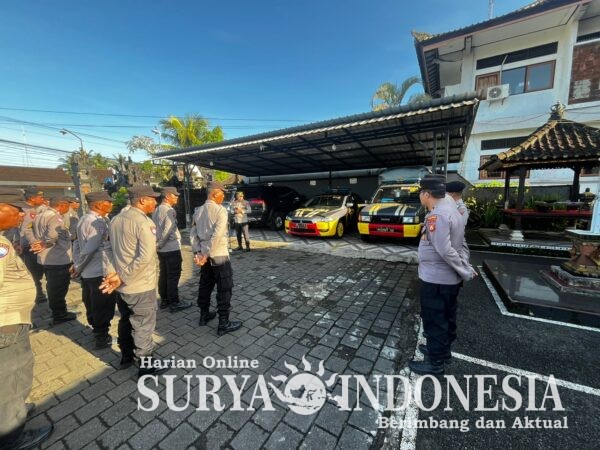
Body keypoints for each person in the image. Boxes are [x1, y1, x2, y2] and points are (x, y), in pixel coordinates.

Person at [0, 188, 54, 449]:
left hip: (12, 319)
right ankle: (11, 435)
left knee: (17, 371)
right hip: (5, 323)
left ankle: (16, 410)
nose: (22, 214)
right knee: (9, 376)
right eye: (16, 209)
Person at [409, 174, 475, 376]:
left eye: (421, 192)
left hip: (436, 279)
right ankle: (441, 351)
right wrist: (464, 265)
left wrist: (464, 270)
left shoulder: (437, 215)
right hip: (447, 280)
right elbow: (462, 243)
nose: (420, 196)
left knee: (435, 320)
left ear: (427, 194)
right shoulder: (453, 210)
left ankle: (435, 364)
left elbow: (445, 250)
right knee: (446, 316)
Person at [100, 186, 167, 378]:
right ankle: (146, 365)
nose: (155, 202)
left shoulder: (115, 219)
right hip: (140, 284)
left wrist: (112, 274)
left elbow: (106, 248)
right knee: (143, 325)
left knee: (126, 319)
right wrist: (121, 276)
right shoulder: (144, 222)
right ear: (142, 200)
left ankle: (126, 356)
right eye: (153, 199)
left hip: (122, 286)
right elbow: (145, 257)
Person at [190, 182, 242, 335]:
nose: (223, 196)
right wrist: (205, 254)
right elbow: (217, 236)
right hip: (218, 255)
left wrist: (198, 253)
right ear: (214, 194)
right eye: (222, 193)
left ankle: (204, 315)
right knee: (224, 288)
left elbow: (193, 234)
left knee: (205, 285)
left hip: (204, 256)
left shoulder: (198, 211)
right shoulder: (220, 210)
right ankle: (223, 323)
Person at [72, 191, 117, 349]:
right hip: (98, 270)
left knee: (91, 302)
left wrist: (77, 264)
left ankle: (98, 330)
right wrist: (78, 267)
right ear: (98, 204)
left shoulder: (85, 219)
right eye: (108, 202)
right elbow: (89, 250)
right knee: (102, 305)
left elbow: (76, 244)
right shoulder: (96, 222)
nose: (111, 204)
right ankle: (101, 337)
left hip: (88, 271)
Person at [31, 196, 77, 324]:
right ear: (61, 205)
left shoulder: (40, 215)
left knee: (52, 285)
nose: (69, 208)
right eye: (68, 205)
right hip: (57, 257)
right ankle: (59, 314)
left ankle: (58, 310)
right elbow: (52, 235)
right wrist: (46, 243)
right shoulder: (55, 216)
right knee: (58, 287)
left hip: (46, 258)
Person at [152, 187, 192, 312]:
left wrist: (158, 245)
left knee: (164, 274)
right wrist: (160, 244)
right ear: (167, 196)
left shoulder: (156, 209)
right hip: (170, 248)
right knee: (173, 276)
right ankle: (174, 302)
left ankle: (164, 300)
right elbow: (168, 231)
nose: (177, 197)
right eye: (175, 195)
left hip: (162, 250)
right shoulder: (169, 210)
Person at [19, 188, 48, 304]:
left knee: (37, 271)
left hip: (32, 245)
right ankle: (37, 295)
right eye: (40, 197)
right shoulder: (27, 211)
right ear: (32, 198)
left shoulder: (32, 209)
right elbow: (26, 230)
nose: (42, 199)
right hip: (30, 246)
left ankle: (38, 293)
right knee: (34, 272)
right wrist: (35, 243)